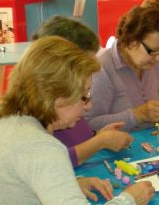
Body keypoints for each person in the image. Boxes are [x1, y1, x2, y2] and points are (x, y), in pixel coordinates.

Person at [0, 36, 155, 205]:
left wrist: (72, 184)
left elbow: (18, 190)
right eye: (84, 96)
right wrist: (130, 200)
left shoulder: (1, 122)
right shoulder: (42, 147)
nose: (88, 106)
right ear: (56, 98)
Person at [33, 15, 134, 168]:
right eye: (84, 66)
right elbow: (51, 163)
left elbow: (77, 140)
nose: (89, 73)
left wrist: (98, 136)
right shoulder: (45, 115)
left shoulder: (69, 102)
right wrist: (100, 142)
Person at [85, 5, 159, 131]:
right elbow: (87, 124)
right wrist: (137, 116)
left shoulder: (154, 64)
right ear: (131, 41)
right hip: (113, 148)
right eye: (153, 51)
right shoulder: (101, 68)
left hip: (148, 145)